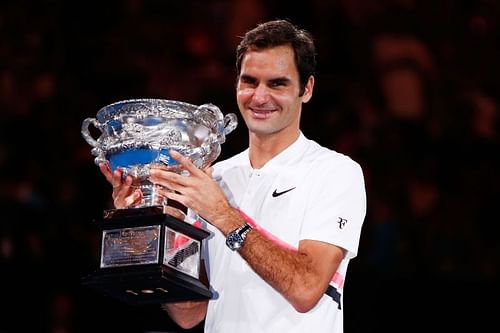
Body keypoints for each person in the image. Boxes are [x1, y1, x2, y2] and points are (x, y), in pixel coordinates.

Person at [100, 19, 366, 333]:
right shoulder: (214, 179)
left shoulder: (334, 172)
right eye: (249, 81)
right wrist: (147, 223)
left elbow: (306, 289)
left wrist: (223, 215)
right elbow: (189, 313)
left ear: (306, 89)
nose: (260, 96)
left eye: (277, 84)